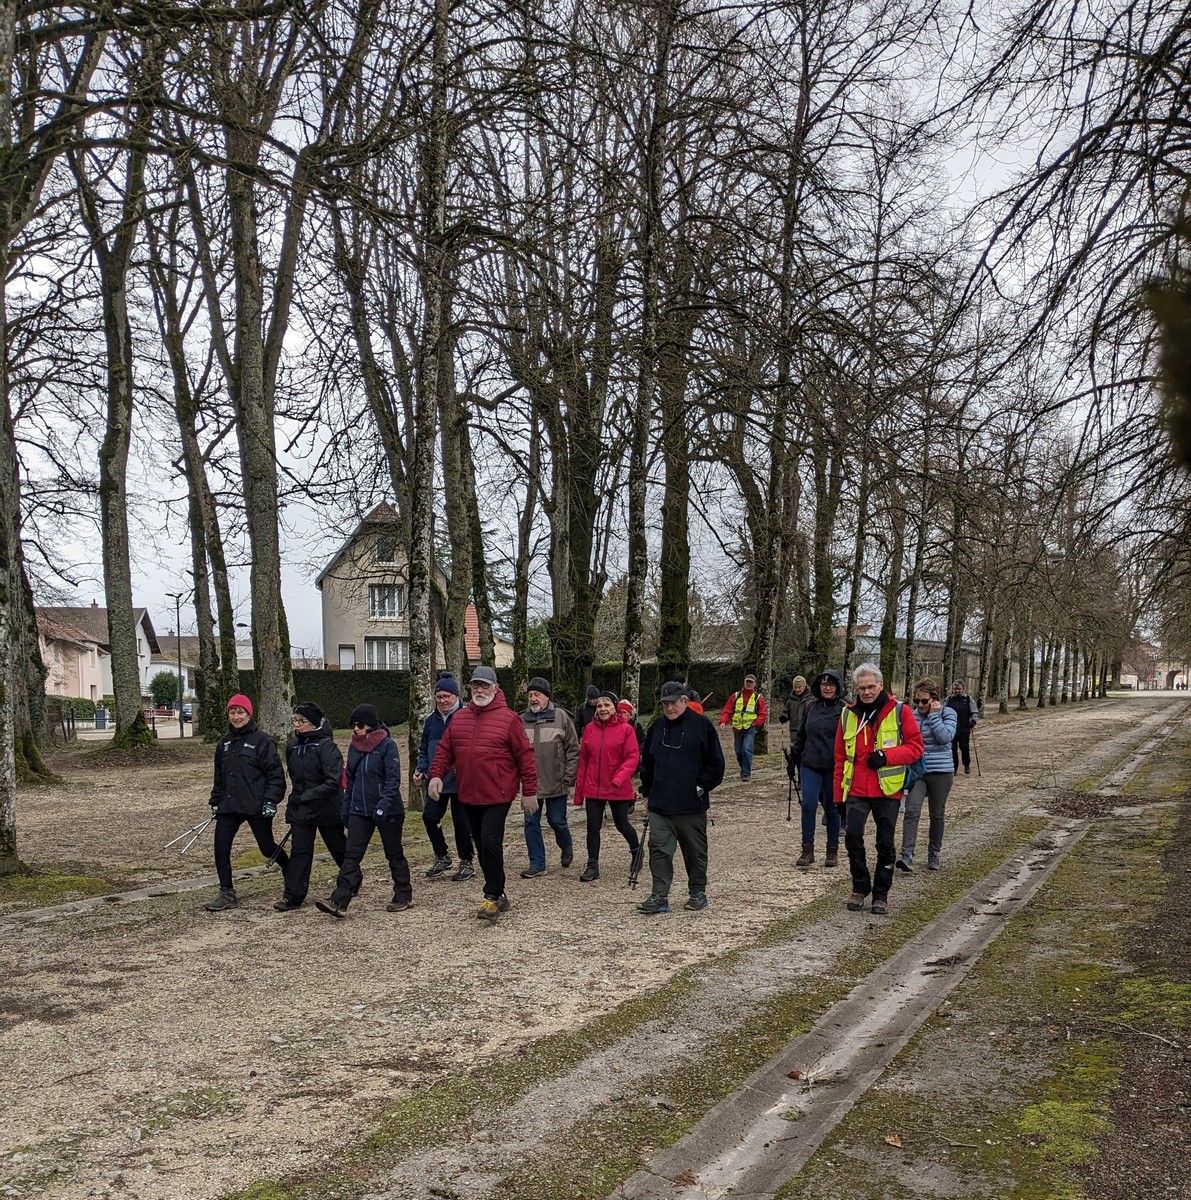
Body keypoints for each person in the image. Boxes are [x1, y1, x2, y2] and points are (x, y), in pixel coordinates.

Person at [429, 666, 538, 922]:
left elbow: (525, 757)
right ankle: (499, 892)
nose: (479, 690)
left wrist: (529, 791)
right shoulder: (460, 719)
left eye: (484, 685)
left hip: (498, 793)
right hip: (469, 793)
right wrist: (436, 775)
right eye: (475, 685)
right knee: (481, 844)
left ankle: (491, 895)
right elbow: (445, 750)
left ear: (495, 688)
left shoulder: (509, 719)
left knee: (490, 841)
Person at [833, 664, 923, 916]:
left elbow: (916, 748)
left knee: (885, 842)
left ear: (881, 685)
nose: (866, 692)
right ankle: (860, 887)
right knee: (852, 838)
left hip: (887, 790)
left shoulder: (900, 711)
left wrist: (886, 756)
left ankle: (881, 894)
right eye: (862, 687)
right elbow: (839, 758)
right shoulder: (847, 715)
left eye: (871, 687)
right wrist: (838, 796)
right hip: (856, 789)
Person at [315, 703, 412, 918]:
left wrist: (383, 806)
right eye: (353, 725)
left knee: (393, 853)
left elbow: (393, 780)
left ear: (370, 725)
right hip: (360, 809)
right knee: (351, 855)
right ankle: (339, 899)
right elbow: (350, 780)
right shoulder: (354, 747)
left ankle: (403, 893)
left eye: (359, 725)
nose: (355, 729)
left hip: (388, 810)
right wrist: (347, 808)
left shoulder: (387, 746)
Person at [637, 680, 725, 914]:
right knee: (659, 851)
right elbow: (647, 764)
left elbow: (716, 765)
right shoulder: (656, 727)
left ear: (685, 701)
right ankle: (659, 895)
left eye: (673, 702)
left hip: (690, 806)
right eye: (665, 703)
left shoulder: (702, 726)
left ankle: (697, 892)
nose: (669, 707)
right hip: (660, 805)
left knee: (695, 852)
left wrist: (700, 787)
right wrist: (647, 792)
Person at [204, 694, 288, 912]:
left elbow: (275, 775)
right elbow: (219, 776)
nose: (236, 717)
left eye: (240, 712)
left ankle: (290, 870)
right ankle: (227, 892)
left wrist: (271, 801)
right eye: (232, 712)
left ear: (249, 714)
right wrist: (215, 801)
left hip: (255, 805)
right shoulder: (224, 743)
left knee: (267, 847)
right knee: (221, 848)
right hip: (229, 805)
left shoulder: (263, 741)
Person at [275, 701, 348, 911]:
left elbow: (333, 781)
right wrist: (297, 799)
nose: (297, 724)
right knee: (300, 851)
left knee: (338, 848)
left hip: (326, 807)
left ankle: (351, 879)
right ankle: (293, 896)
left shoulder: (326, 746)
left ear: (314, 723)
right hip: (301, 808)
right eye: (295, 720)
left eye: (302, 721)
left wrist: (309, 795)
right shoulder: (293, 747)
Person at [575, 691, 641, 882]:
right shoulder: (589, 729)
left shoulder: (626, 729)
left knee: (622, 824)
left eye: (607, 705)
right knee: (593, 826)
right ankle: (592, 864)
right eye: (599, 706)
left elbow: (632, 757)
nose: (603, 709)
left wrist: (619, 778)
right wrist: (579, 792)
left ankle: (636, 851)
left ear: (614, 708)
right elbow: (584, 761)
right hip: (594, 787)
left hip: (616, 786)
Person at [414, 672, 475, 881]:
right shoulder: (431, 721)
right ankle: (442, 855)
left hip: (461, 781)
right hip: (436, 779)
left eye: (446, 696)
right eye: (439, 697)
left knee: (461, 823)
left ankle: (466, 860)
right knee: (429, 817)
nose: (442, 701)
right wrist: (421, 769)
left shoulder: (466, 717)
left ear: (456, 696)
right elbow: (424, 748)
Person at [520, 676, 578, 877]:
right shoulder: (521, 720)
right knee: (530, 823)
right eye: (530, 695)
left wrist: (570, 776)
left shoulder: (561, 717)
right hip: (531, 784)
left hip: (556, 781)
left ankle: (566, 845)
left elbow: (573, 749)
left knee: (556, 820)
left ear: (546, 697)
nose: (533, 699)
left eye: (537, 694)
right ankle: (537, 863)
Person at [788, 669, 846, 868]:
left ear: (838, 686)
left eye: (831, 684)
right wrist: (793, 756)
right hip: (810, 763)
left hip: (833, 766)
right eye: (824, 684)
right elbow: (801, 735)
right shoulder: (810, 707)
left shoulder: (845, 709)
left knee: (832, 808)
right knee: (808, 805)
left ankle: (832, 850)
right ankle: (807, 850)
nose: (827, 687)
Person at [899, 678, 957, 872]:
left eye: (924, 701)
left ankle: (934, 853)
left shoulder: (948, 713)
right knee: (911, 811)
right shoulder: (911, 715)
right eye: (916, 701)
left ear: (934, 699)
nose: (920, 705)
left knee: (937, 814)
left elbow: (945, 737)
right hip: (918, 771)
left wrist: (934, 716)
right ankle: (907, 854)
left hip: (941, 772)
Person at [719, 672, 767, 780]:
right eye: (747, 682)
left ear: (755, 684)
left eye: (751, 682)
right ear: (744, 682)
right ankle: (744, 767)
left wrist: (756, 723)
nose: (749, 684)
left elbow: (763, 713)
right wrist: (723, 721)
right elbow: (727, 710)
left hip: (750, 728)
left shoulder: (758, 697)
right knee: (738, 752)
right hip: (737, 728)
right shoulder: (736, 696)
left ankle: (746, 773)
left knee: (746, 749)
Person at [944, 680, 980, 774]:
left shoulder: (968, 699)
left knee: (964, 748)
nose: (957, 691)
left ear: (963, 689)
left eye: (959, 689)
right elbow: (943, 711)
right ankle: (954, 768)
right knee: (952, 749)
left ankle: (966, 764)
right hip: (951, 728)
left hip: (964, 727)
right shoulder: (949, 699)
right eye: (955, 689)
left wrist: (973, 721)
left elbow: (974, 712)